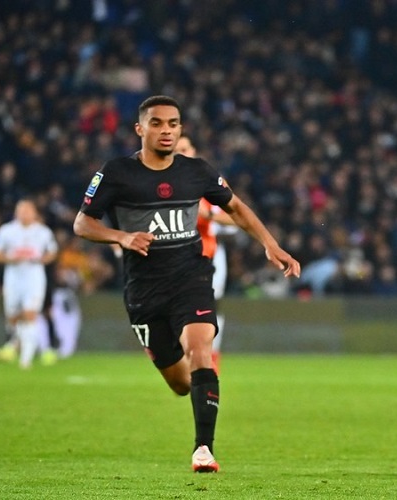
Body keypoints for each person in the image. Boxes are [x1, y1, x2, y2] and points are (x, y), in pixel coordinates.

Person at [73, 95, 301, 473]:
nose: (167, 131)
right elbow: (83, 224)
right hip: (144, 290)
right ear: (140, 128)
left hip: (191, 278)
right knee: (180, 383)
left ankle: (203, 449)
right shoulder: (115, 173)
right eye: (158, 123)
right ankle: (164, 356)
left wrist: (270, 244)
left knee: (201, 352)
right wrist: (121, 237)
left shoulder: (196, 171)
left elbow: (237, 208)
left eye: (173, 124)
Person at [174, 135, 238, 373]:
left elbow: (235, 218)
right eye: (176, 149)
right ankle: (184, 356)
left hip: (207, 255)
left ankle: (212, 358)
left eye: (184, 148)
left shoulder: (207, 181)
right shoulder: (161, 184)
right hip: (174, 257)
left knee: (210, 307)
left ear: (193, 150)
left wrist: (209, 215)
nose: (180, 153)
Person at [0, 199, 59, 369]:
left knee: (29, 314)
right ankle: (15, 345)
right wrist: (10, 258)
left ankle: (25, 359)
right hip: (13, 277)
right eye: (21, 210)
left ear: (34, 213)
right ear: (16, 212)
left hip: (34, 278)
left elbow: (52, 252)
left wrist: (41, 259)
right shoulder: (6, 231)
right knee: (13, 317)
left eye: (28, 210)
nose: (24, 213)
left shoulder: (43, 232)